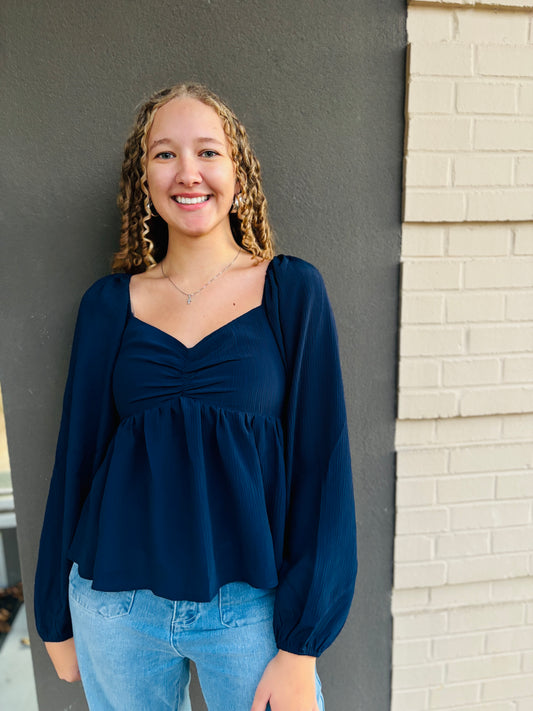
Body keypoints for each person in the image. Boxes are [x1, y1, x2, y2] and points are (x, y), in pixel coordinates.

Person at [34, 82, 357, 711]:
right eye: (165, 155)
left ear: (238, 174)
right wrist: (54, 614)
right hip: (117, 608)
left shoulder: (290, 293)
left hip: (251, 611)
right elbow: (76, 459)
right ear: (144, 177)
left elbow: (323, 468)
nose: (188, 172)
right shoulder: (109, 306)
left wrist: (301, 648)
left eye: (208, 152)